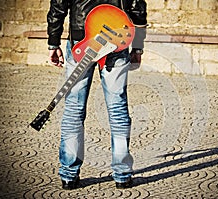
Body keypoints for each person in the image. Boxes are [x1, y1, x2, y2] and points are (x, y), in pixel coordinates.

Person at [46, 0, 147, 190]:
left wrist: (53, 42)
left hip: (81, 38)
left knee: (74, 108)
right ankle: (122, 175)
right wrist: (138, 46)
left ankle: (68, 175)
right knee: (117, 108)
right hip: (116, 36)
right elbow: (137, 6)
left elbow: (58, 4)